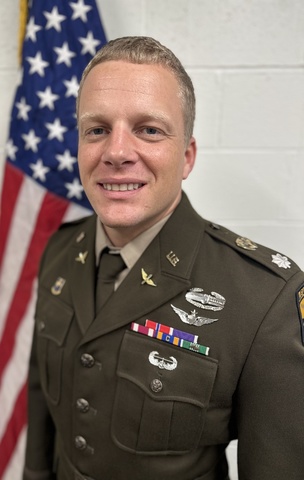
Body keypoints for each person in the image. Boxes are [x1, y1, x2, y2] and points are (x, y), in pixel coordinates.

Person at [23, 36, 304, 480]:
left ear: (187, 156)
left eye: (149, 130)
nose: (116, 153)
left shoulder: (263, 298)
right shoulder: (59, 251)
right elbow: (41, 410)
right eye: (96, 130)